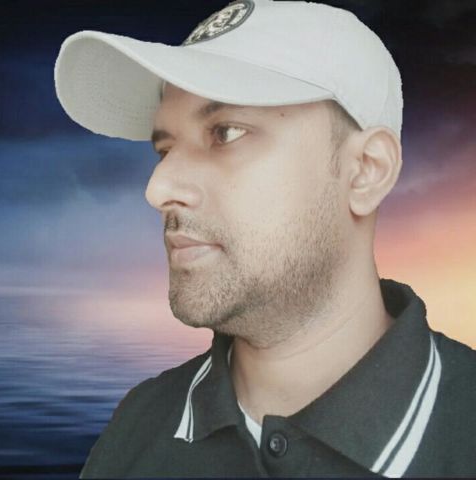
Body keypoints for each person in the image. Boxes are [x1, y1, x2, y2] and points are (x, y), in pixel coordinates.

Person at [54, 0, 476, 477]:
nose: (158, 188)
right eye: (165, 149)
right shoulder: (139, 424)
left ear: (365, 170)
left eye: (226, 132)